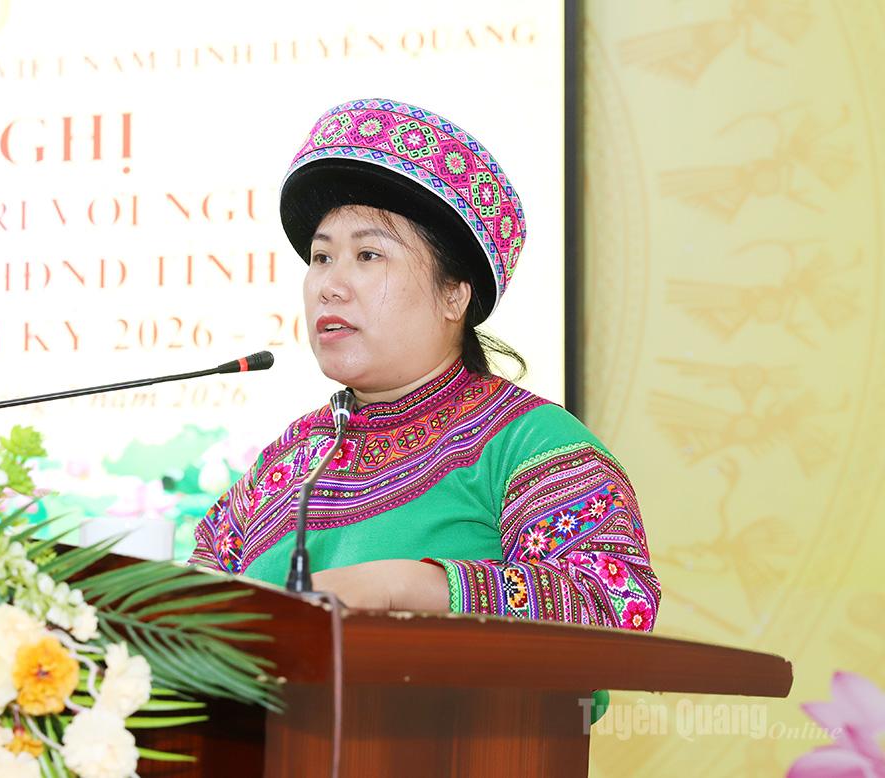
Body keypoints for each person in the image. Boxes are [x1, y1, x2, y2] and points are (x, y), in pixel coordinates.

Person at [189, 98, 659, 632]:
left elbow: (617, 602)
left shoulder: (528, 443)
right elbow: (183, 619)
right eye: (321, 257)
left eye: (368, 255)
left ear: (454, 295)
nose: (329, 285)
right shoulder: (287, 462)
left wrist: (406, 587)